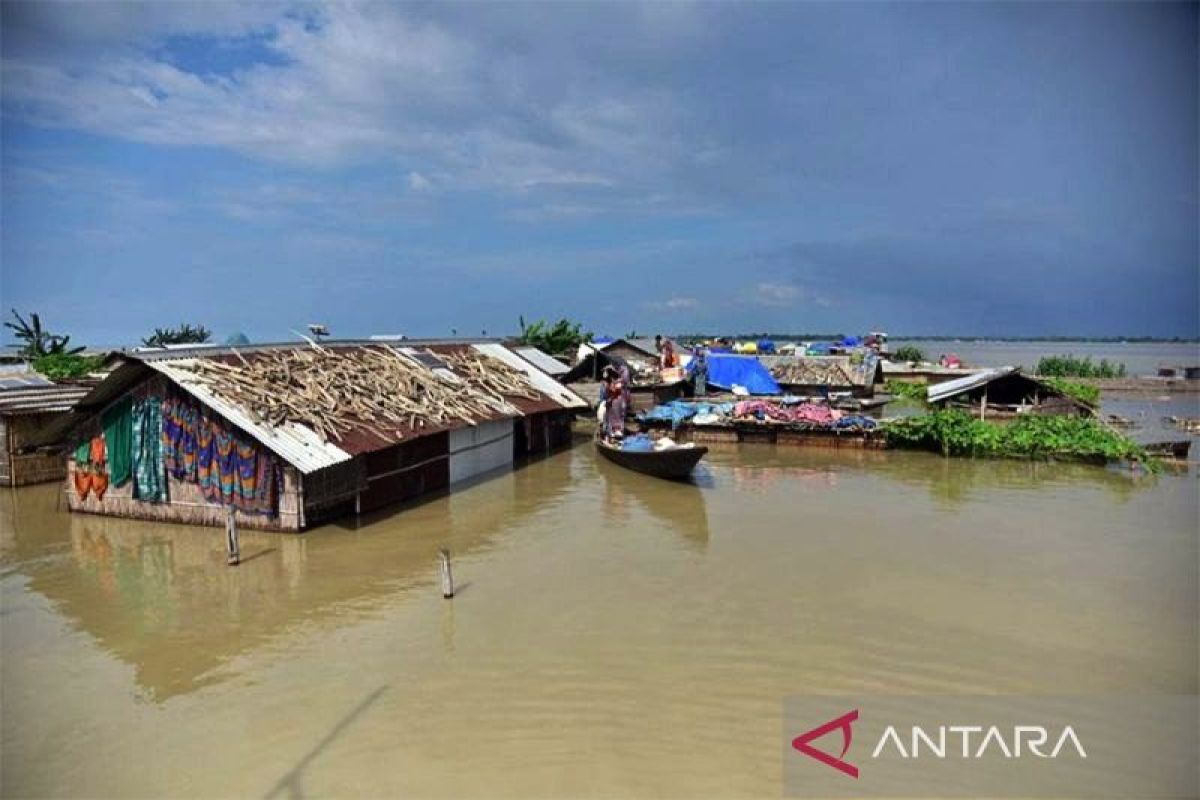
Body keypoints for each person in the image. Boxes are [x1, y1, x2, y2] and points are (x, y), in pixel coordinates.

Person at [601, 364, 627, 440]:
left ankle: (615, 432)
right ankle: (612, 432)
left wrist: (611, 387)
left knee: (616, 417)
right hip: (613, 401)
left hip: (616, 401)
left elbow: (614, 391)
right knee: (611, 417)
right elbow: (607, 393)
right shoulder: (608, 382)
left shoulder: (617, 382)